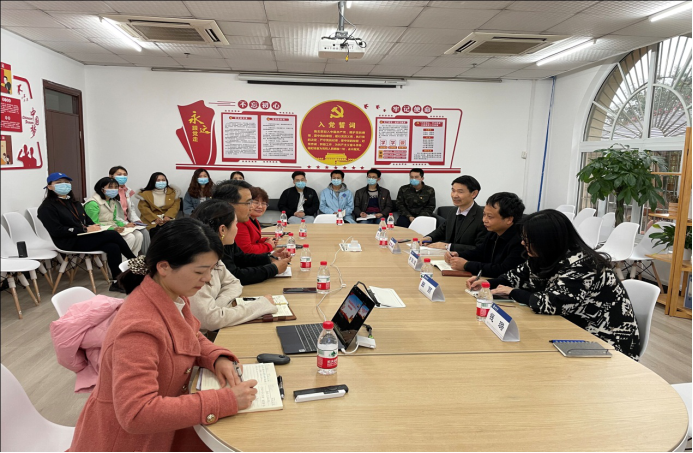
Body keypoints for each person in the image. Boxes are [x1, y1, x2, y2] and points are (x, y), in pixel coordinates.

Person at [68, 219, 259, 451]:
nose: (208, 278)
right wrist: (225, 401)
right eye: (200, 271)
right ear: (164, 267)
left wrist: (216, 357)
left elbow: (189, 334)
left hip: (166, 428)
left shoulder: (172, 294)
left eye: (212, 269)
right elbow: (137, 413)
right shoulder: (138, 330)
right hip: (129, 443)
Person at [469, 209, 641, 360]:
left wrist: (513, 292)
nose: (523, 243)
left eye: (528, 240)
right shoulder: (546, 255)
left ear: (546, 241)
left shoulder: (583, 265)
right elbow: (516, 275)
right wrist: (487, 283)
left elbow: (552, 303)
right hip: (571, 329)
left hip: (604, 343)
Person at [37, 172, 136, 292]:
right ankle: (136, 263)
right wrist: (85, 229)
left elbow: (87, 220)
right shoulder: (46, 208)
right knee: (113, 234)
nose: (64, 185)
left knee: (113, 246)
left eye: (67, 182)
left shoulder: (74, 203)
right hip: (67, 241)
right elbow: (57, 231)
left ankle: (117, 282)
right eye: (59, 183)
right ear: (49, 187)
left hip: (83, 236)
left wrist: (94, 226)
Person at [190, 199, 276, 331]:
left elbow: (234, 282)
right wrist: (260, 305)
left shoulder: (214, 253)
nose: (237, 228)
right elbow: (210, 320)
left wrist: (217, 307)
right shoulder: (195, 262)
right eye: (235, 224)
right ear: (222, 230)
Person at [212, 180, 291, 285]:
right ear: (229, 205)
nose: (252, 207)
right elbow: (233, 275)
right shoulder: (213, 234)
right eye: (249, 202)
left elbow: (240, 257)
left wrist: (269, 258)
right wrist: (273, 269)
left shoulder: (227, 225)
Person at [445, 192, 525, 278]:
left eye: (490, 216)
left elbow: (503, 270)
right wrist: (458, 255)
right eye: (484, 215)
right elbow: (479, 252)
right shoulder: (493, 232)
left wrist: (466, 265)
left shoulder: (521, 241)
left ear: (509, 219)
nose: (484, 220)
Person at [422, 175, 487, 253]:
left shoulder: (483, 217)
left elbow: (480, 248)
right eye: (453, 191)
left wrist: (448, 246)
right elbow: (442, 230)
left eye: (460, 192)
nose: (455, 195)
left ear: (474, 193)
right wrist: (429, 238)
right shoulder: (453, 211)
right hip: (447, 256)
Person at [84, 177, 143, 256]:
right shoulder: (92, 203)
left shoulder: (112, 201)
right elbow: (93, 224)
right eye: (110, 187)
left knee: (138, 235)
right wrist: (113, 229)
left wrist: (125, 225)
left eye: (116, 187)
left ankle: (133, 260)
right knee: (130, 237)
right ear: (101, 189)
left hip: (112, 228)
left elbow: (114, 219)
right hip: (100, 232)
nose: (114, 190)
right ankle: (122, 262)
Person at [109, 165, 150, 254]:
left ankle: (142, 257)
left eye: (125, 175)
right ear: (111, 176)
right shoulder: (110, 192)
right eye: (119, 174)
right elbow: (112, 214)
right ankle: (126, 259)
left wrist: (137, 221)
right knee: (133, 236)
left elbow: (131, 209)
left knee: (144, 232)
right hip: (117, 223)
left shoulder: (127, 191)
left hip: (127, 222)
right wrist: (125, 224)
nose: (122, 177)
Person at [138, 172, 180, 239]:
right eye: (158, 180)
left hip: (168, 220)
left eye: (163, 180)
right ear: (153, 182)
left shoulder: (173, 192)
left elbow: (175, 205)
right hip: (151, 220)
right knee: (156, 234)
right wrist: (155, 219)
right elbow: (143, 208)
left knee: (173, 234)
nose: (161, 182)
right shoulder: (145, 194)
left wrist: (168, 216)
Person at [236, 186, 277, 254]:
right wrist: (268, 246)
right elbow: (246, 250)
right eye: (256, 202)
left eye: (263, 203)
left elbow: (253, 241)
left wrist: (265, 241)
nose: (260, 206)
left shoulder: (254, 219)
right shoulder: (241, 222)